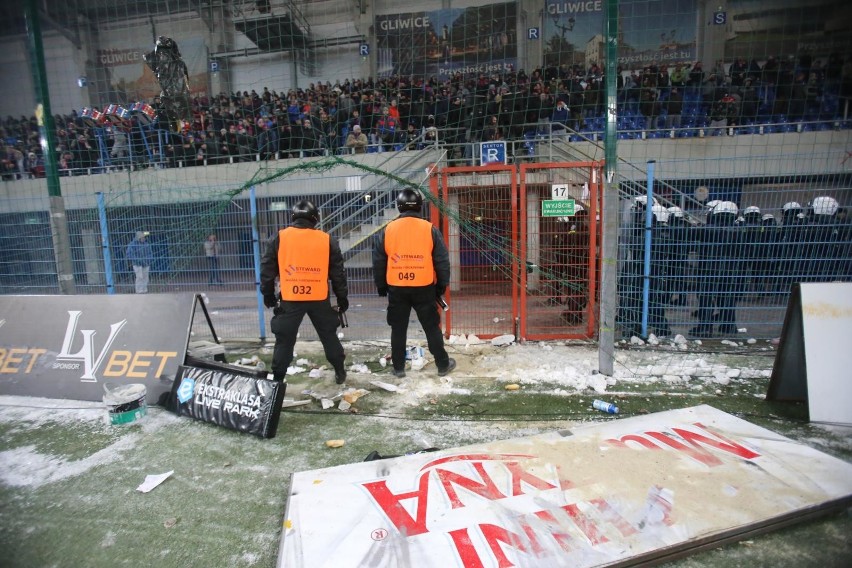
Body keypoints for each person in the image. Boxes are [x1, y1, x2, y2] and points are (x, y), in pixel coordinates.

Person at [260, 200, 349, 384]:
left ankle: (277, 379)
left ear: (293, 217)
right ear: (315, 218)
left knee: (284, 339)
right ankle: (340, 371)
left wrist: (268, 295)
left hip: (291, 297)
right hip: (319, 297)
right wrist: (342, 298)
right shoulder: (326, 239)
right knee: (328, 335)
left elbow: (267, 270)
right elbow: (338, 274)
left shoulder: (279, 237)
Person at [372, 188, 455, 378]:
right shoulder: (429, 229)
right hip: (424, 288)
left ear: (399, 206)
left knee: (398, 328)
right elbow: (441, 260)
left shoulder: (388, 229)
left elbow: (378, 260)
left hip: (396, 288)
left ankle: (399, 368)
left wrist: (381, 286)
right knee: (431, 327)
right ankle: (442, 364)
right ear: (419, 206)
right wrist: (441, 285)